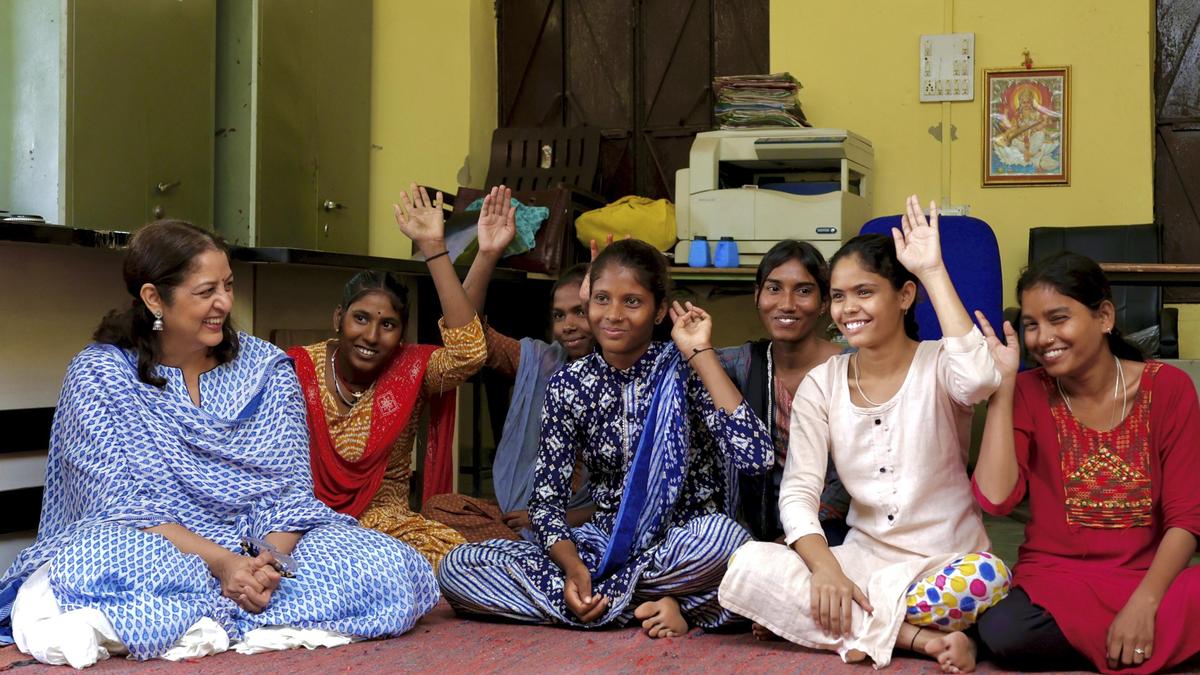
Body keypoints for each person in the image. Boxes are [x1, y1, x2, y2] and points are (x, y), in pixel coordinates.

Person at [0, 221, 438, 666]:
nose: (224, 303)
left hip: (260, 544)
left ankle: (198, 614)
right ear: (155, 298)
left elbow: (288, 494)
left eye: (227, 286)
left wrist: (265, 564)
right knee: (99, 564)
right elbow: (119, 509)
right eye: (206, 291)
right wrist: (223, 564)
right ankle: (229, 608)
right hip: (159, 547)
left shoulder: (265, 368)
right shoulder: (100, 376)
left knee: (390, 568)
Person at [719, 196, 1010, 673]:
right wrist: (827, 569)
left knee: (986, 579)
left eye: (864, 292)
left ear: (904, 296)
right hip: (862, 559)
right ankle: (918, 639)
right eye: (837, 296)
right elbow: (797, 493)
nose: (848, 308)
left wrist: (933, 270)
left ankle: (832, 620)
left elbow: (980, 379)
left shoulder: (939, 364)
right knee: (747, 566)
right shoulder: (824, 382)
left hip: (943, 565)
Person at [436, 239, 773, 638]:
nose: (613, 315)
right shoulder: (569, 385)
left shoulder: (685, 368)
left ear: (660, 309)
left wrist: (701, 353)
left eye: (632, 302)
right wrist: (574, 568)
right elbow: (545, 505)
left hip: (684, 542)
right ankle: (658, 604)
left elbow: (757, 458)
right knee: (458, 567)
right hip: (604, 546)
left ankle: (606, 604)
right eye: (601, 299)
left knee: (725, 542)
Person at [972, 252, 1200, 674]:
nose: (1043, 337)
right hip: (1060, 583)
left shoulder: (1169, 389)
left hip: (1151, 578)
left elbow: (1186, 518)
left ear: (1105, 316)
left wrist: (1145, 604)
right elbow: (996, 499)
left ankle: (1123, 640)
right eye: (1031, 325)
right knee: (1006, 631)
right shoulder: (1025, 391)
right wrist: (1003, 389)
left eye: (1059, 318)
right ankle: (1140, 649)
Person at [287, 184, 491, 570]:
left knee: (456, 561)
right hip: (305, 519)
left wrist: (434, 249)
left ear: (403, 332)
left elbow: (469, 353)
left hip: (386, 523)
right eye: (360, 318)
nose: (371, 336)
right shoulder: (297, 369)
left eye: (388, 324)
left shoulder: (411, 368)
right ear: (338, 318)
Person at [422, 186, 595, 541]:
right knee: (439, 509)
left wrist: (548, 518)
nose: (569, 325)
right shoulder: (542, 359)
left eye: (581, 311)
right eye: (559, 315)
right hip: (520, 517)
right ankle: (518, 551)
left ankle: (518, 553)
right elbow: (468, 335)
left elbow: (629, 500)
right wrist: (487, 255)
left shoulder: (630, 376)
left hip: (585, 523)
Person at [717, 240, 849, 546]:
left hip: (834, 529)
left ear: (824, 302)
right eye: (774, 288)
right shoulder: (743, 363)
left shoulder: (850, 368)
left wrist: (796, 538)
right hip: (756, 531)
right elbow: (672, 360)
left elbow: (851, 480)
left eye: (803, 290)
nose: (787, 304)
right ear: (757, 296)